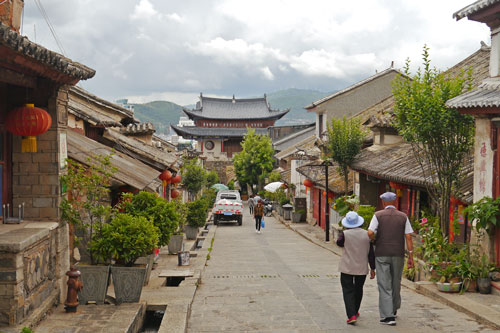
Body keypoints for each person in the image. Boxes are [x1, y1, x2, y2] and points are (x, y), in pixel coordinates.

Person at [368, 192, 414, 326]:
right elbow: (409, 237)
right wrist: (411, 256)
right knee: (395, 282)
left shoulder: (378, 215)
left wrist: (374, 240)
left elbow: (370, 232)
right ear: (395, 202)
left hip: (382, 253)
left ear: (383, 202)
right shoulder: (403, 217)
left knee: (384, 284)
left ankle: (388, 316)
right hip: (398, 254)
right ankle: (393, 309)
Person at [337, 211, 376, 325]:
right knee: (358, 289)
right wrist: (372, 268)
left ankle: (351, 314)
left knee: (348, 290)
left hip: (347, 267)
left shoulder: (344, 234)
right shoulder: (367, 234)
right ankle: (355, 310)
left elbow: (339, 243)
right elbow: (371, 254)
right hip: (362, 267)